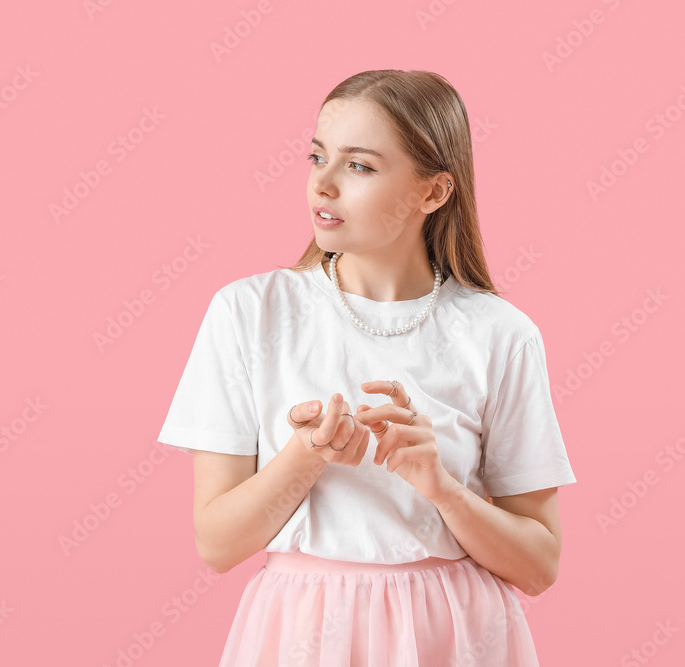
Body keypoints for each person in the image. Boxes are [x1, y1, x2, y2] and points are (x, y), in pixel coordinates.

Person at [157, 69, 577, 667]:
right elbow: (218, 544)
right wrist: (307, 455)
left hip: (456, 637)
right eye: (317, 156)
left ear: (433, 193)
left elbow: (539, 566)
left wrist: (442, 489)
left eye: (359, 166)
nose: (322, 185)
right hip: (301, 632)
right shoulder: (248, 313)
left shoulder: (500, 333)